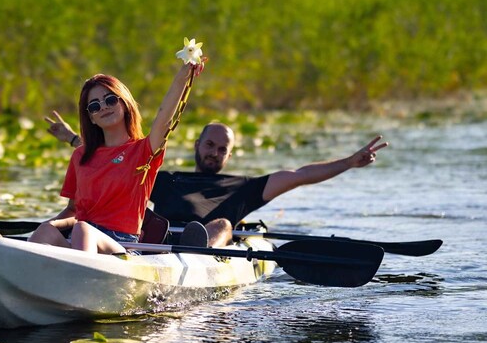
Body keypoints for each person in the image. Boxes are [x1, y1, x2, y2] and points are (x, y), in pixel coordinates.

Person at [45, 116, 388, 248]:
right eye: (210, 145)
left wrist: (348, 163)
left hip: (204, 244)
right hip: (159, 241)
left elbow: (299, 176)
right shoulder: (166, 179)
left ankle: (202, 244)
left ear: (229, 155)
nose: (214, 152)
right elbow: (116, 167)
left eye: (222, 149)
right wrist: (75, 139)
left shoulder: (242, 186)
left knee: (222, 221)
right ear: (197, 146)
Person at [28, 60, 204, 254]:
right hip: (81, 240)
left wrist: (183, 76)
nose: (103, 107)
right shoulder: (80, 155)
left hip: (123, 246)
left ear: (125, 103)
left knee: (83, 229)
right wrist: (52, 225)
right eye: (94, 106)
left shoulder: (144, 150)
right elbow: (73, 210)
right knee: (46, 230)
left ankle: (83, 277)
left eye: (110, 100)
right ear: (91, 118)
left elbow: (164, 116)